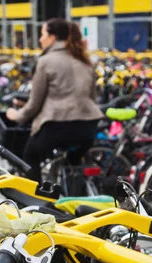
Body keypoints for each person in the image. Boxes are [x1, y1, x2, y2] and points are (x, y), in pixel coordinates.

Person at [6, 18, 104, 182]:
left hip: (58, 126)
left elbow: (34, 104)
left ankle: (37, 202)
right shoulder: (84, 60)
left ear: (53, 37)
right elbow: (91, 98)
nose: (40, 39)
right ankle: (76, 192)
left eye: (42, 34)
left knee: (30, 155)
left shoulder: (45, 61)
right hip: (88, 127)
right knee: (73, 161)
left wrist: (16, 115)